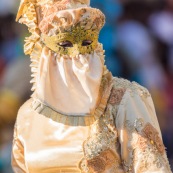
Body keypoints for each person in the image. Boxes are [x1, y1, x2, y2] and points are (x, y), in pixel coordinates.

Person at [11, 0, 172, 172]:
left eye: (87, 43)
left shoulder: (124, 99)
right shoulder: (27, 116)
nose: (78, 53)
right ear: (45, 51)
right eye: (65, 44)